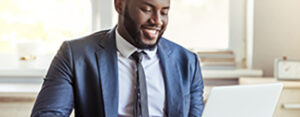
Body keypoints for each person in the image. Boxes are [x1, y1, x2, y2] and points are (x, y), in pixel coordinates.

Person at [31, 0, 204, 116]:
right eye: (147, 9)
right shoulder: (75, 55)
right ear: (120, 5)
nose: (157, 21)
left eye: (164, 12)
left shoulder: (187, 62)